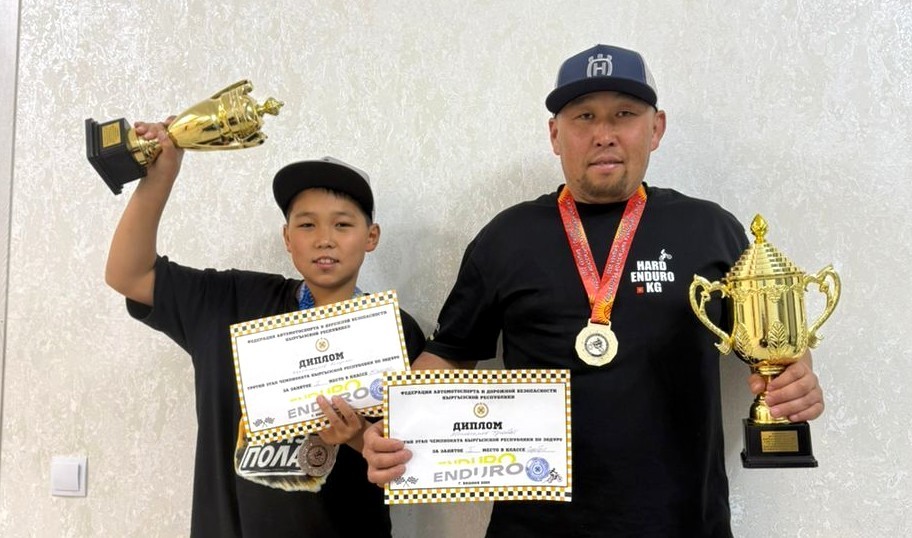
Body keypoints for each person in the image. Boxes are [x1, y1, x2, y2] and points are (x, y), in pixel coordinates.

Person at [361, 44, 824, 537]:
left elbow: (772, 347)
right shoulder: (507, 237)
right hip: (535, 530)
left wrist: (796, 378)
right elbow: (449, 355)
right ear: (555, 134)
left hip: (682, 524)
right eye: (584, 116)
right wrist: (394, 427)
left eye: (624, 114)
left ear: (656, 128)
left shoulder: (709, 230)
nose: (604, 134)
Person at [104, 121, 426, 537]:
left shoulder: (397, 332)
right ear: (287, 238)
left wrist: (358, 437)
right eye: (307, 225)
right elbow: (127, 274)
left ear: (371, 236)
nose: (324, 239)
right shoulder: (232, 301)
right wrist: (160, 177)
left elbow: (413, 462)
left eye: (343, 224)